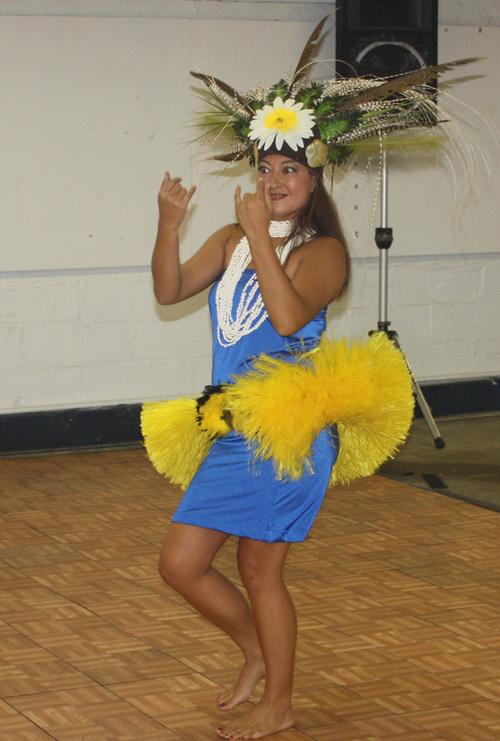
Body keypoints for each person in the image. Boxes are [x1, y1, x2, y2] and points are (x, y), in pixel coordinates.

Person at [151, 142, 350, 740]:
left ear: (315, 180)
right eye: (264, 169)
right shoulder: (229, 239)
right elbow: (169, 290)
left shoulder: (325, 252)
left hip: (288, 431)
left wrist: (262, 236)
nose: (273, 180)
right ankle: (257, 652)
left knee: (260, 570)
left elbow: (287, 319)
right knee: (181, 564)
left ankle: (280, 703)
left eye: (289, 169)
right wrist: (168, 225)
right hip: (233, 427)